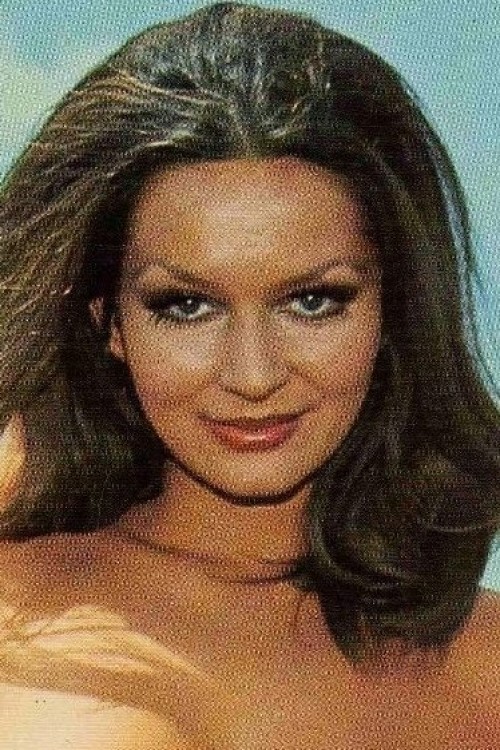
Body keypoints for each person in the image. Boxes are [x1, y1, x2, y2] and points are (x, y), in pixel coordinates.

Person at [0, 2, 499, 747]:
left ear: (393, 311)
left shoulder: (482, 668)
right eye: (187, 305)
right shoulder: (13, 598)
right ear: (109, 323)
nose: (254, 375)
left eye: (312, 300)